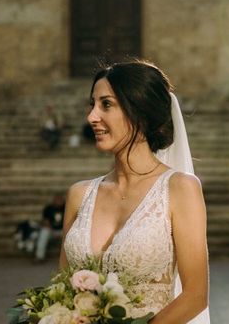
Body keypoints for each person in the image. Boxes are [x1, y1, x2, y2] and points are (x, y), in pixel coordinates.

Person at [60, 60, 210, 324]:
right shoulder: (79, 195)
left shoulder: (180, 189)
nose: (92, 116)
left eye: (106, 104)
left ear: (139, 112)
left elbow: (195, 295)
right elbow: (61, 290)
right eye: (92, 104)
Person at [35, 194, 66, 262]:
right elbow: (46, 222)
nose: (59, 201)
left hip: (63, 230)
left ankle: (68, 259)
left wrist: (64, 231)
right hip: (51, 230)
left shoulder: (66, 207)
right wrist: (52, 231)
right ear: (53, 201)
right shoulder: (48, 209)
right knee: (44, 232)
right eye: (57, 200)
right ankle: (39, 257)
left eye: (60, 200)